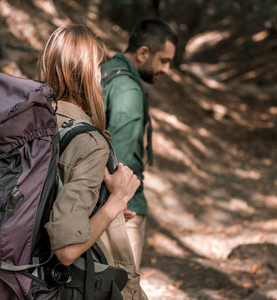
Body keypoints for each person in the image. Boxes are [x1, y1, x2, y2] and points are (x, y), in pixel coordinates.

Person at [38, 24, 144, 298]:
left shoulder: (32, 122)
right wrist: (116, 200)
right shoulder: (88, 142)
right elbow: (67, 250)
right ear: (84, 72)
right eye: (98, 67)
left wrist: (99, 207)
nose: (101, 75)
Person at [101, 18, 178, 271]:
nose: (166, 69)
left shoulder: (102, 69)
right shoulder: (129, 91)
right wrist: (121, 206)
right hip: (123, 211)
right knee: (125, 289)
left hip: (90, 203)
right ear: (144, 53)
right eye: (164, 60)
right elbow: (122, 159)